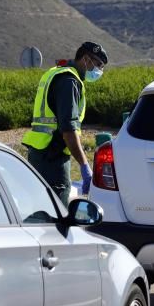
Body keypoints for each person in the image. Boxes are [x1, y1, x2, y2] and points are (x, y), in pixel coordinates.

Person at [22, 41, 109, 203]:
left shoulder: (56, 73)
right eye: (98, 65)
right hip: (52, 157)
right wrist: (84, 165)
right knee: (57, 212)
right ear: (85, 59)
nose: (99, 70)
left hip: (39, 153)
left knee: (41, 207)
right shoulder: (69, 82)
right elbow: (68, 130)